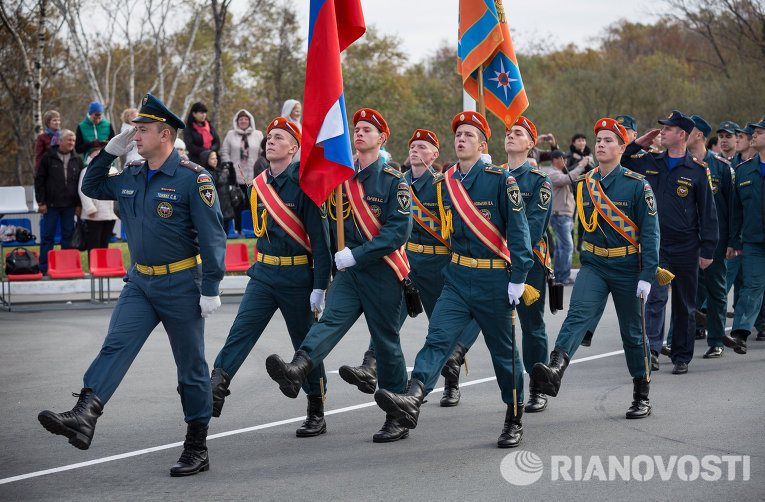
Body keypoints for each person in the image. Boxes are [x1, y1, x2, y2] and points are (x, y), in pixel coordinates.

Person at [38, 94, 227, 477]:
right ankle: (84, 415)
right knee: (115, 345)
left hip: (181, 284)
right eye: (134, 129)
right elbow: (91, 184)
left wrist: (211, 286)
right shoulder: (133, 173)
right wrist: (110, 151)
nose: (135, 136)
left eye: (142, 130)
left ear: (166, 134)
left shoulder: (194, 178)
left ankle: (197, 444)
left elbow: (213, 238)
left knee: (191, 368)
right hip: (140, 281)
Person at [373, 111, 534, 448]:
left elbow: (519, 234)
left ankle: (513, 416)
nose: (461, 139)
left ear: (482, 145)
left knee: (504, 354)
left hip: (494, 279)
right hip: (458, 278)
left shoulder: (501, 180)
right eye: (458, 134)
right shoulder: (445, 183)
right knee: (437, 340)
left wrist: (518, 277)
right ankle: (413, 397)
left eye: (469, 135)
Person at [264, 108, 414, 443]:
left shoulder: (393, 181)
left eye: (367, 130)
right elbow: (328, 223)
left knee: (387, 343)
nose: (359, 134)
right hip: (349, 273)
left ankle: (397, 414)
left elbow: (397, 233)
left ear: (382, 138)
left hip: (383, 272)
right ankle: (298, 368)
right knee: (329, 322)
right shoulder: (341, 180)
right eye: (356, 129)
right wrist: (331, 267)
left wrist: (356, 254)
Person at [336, 129, 481, 408]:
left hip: (439, 264)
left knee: (442, 328)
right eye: (413, 146)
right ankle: (370, 367)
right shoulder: (397, 183)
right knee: (388, 318)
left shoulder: (443, 185)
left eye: (423, 147)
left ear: (435, 154)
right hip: (405, 262)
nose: (415, 150)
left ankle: (451, 384)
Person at [209, 117, 331, 437]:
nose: (270, 142)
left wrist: (320, 285)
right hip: (263, 272)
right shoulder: (260, 183)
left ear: (294, 148)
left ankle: (316, 409)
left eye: (279, 138)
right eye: (269, 137)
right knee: (241, 331)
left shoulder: (306, 183)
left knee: (304, 342)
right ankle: (216, 386)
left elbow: (320, 240)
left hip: (296, 275)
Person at [530, 118, 659, 419]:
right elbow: (584, 229)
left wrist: (647, 275)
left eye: (608, 140)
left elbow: (651, 233)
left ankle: (641, 393)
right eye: (598, 139)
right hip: (595, 264)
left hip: (629, 266)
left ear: (622, 147)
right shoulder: (586, 184)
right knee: (577, 315)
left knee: (632, 333)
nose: (600, 144)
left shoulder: (638, 185)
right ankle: (555, 370)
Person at [439, 116, 552, 413]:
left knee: (532, 325)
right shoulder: (494, 175)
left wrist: (509, 253)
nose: (511, 136)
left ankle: (537, 385)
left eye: (519, 133)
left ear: (530, 144)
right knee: (483, 311)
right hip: (493, 263)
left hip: (528, 262)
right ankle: (458, 351)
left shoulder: (539, 182)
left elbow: (532, 230)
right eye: (508, 132)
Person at [622, 110, 718, 375]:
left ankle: (681, 355)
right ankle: (652, 350)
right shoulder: (650, 160)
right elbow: (622, 160)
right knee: (654, 297)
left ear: (682, 135)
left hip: (687, 245)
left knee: (685, 304)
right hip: (656, 244)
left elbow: (708, 213)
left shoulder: (697, 170)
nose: (661, 132)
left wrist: (708, 248)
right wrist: (638, 143)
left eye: (668, 128)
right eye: (661, 127)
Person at [686, 115, 734, 359]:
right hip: (687, 239)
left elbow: (732, 207)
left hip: (715, 239)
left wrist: (733, 241)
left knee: (716, 290)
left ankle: (716, 340)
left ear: (699, 135)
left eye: (688, 130)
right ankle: (681, 339)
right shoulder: (681, 163)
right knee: (686, 290)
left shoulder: (721, 166)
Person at [723, 116, 765, 355]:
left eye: (759, 132)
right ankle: (740, 334)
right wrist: (734, 241)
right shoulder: (743, 171)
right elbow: (736, 212)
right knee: (751, 286)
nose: (753, 135)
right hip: (753, 242)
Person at [34, 129, 82, 273]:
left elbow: (81, 184)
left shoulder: (77, 159)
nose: (72, 143)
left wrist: (79, 205)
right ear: (60, 141)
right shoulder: (48, 157)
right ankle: (43, 269)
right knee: (47, 237)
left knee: (67, 237)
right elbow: (39, 180)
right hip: (51, 206)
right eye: (69, 140)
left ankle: (64, 268)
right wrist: (41, 202)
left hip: (70, 206)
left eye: (73, 140)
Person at [220, 109, 263, 233]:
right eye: (241, 119)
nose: (243, 121)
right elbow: (224, 152)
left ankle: (254, 228)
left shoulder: (258, 135)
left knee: (253, 203)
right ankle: (238, 229)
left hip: (254, 175)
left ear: (250, 121)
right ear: (237, 121)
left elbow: (262, 153)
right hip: (236, 176)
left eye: (246, 119)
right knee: (237, 204)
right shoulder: (230, 134)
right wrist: (229, 168)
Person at [549, 149, 584, 285]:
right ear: (556, 160)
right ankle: (563, 276)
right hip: (560, 215)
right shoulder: (552, 173)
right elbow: (568, 179)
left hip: (564, 215)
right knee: (567, 247)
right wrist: (581, 165)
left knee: (561, 247)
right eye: (564, 159)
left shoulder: (558, 172)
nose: (566, 161)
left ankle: (559, 275)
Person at [77, 148, 118, 251]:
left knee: (105, 243)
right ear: (90, 155)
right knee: (93, 243)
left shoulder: (114, 170)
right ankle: (93, 266)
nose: (98, 153)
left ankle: (103, 266)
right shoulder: (86, 171)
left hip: (110, 214)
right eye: (95, 152)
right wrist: (90, 208)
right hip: (94, 214)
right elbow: (82, 191)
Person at [567, 133, 596, 252]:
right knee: (571, 219)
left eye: (583, 140)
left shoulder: (589, 154)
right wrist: (579, 162)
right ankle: (571, 245)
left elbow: (594, 170)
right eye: (579, 140)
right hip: (572, 191)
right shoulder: (568, 155)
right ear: (574, 143)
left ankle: (580, 244)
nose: (582, 143)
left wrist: (586, 162)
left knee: (584, 219)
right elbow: (566, 171)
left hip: (586, 191)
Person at [200, 150, 233, 230]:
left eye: (216, 158)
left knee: (225, 233)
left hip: (225, 205)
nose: (215, 160)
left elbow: (232, 181)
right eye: (212, 158)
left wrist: (232, 170)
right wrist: (220, 170)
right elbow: (216, 181)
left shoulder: (219, 171)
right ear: (206, 160)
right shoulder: (204, 173)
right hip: (214, 208)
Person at [34, 110, 61, 175]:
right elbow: (39, 156)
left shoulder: (63, 135)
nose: (57, 122)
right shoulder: (42, 137)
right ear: (48, 123)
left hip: (60, 169)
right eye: (54, 120)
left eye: (58, 120)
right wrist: (37, 172)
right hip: (48, 169)